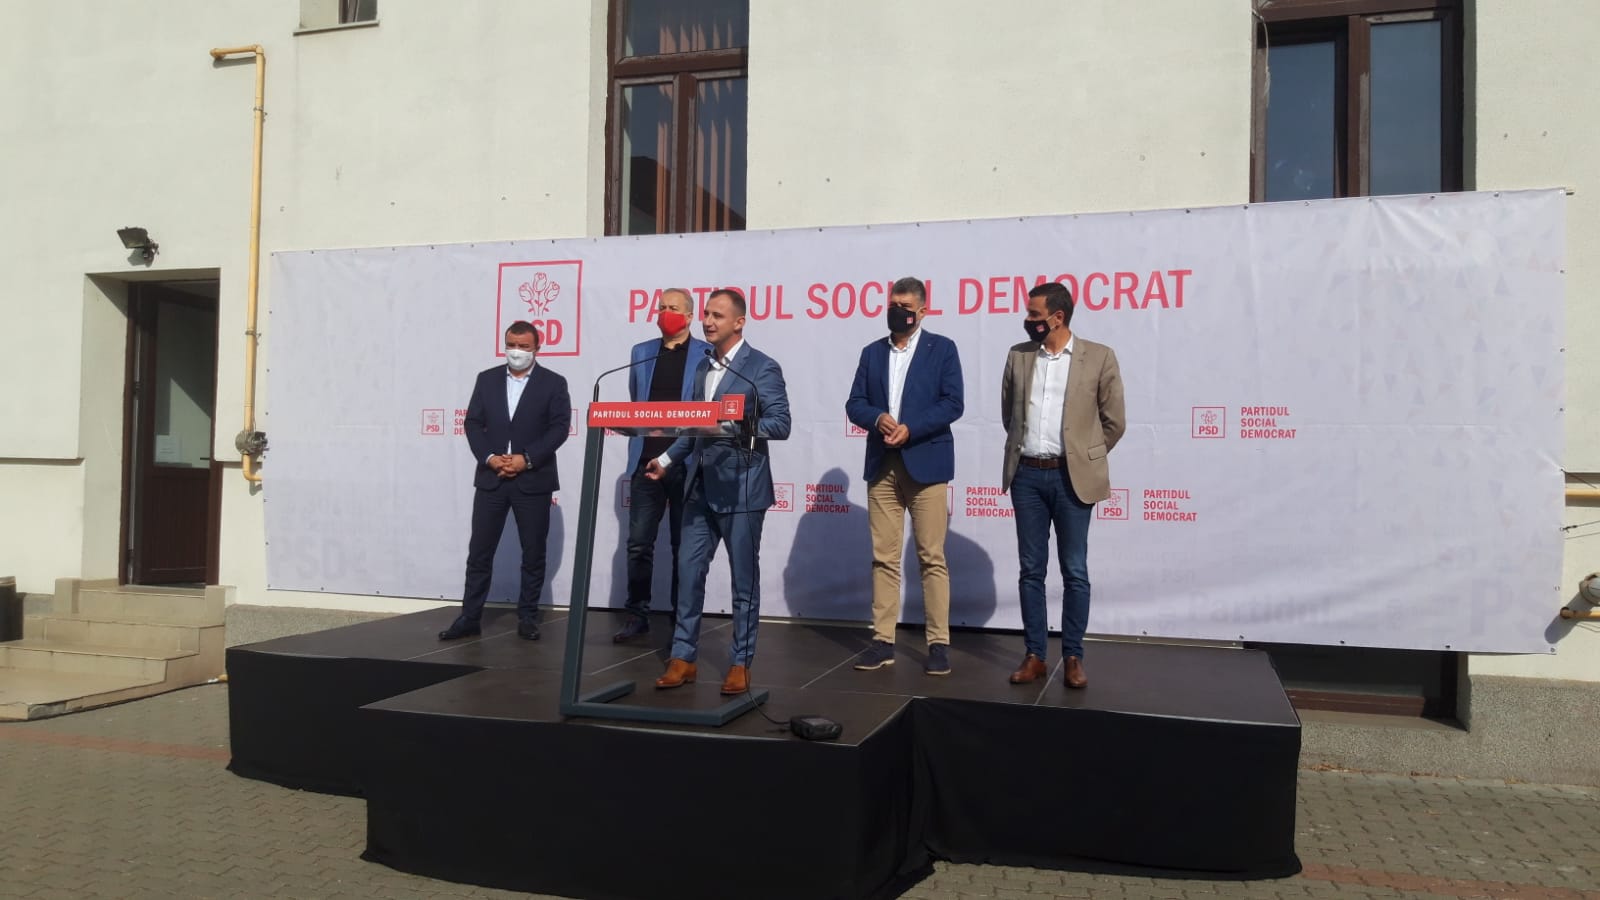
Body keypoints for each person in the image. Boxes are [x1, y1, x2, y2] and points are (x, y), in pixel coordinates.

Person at [644, 289, 791, 695]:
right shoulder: (701, 367)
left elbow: (780, 424)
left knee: (743, 582)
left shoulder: (761, 368)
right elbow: (694, 427)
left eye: (717, 316)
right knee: (689, 574)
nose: (708, 322)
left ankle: (740, 662)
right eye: (706, 314)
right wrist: (666, 460)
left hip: (742, 489)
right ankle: (683, 657)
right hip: (698, 487)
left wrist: (730, 426)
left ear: (739, 322)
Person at [1000, 282, 1124, 688]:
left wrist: (1084, 456)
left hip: (1073, 478)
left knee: (1075, 570)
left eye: (1034, 315)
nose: (1028, 320)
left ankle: (1073, 656)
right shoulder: (1019, 355)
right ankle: (1035, 654)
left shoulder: (1099, 357)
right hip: (1027, 477)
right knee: (1031, 570)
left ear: (1057, 317)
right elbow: (1010, 415)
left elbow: (1114, 421)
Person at [844, 276, 964, 675]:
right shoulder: (871, 352)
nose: (897, 311)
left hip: (926, 462)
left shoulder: (942, 349)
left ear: (922, 311)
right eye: (892, 304)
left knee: (931, 556)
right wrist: (877, 417)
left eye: (905, 307)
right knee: (884, 557)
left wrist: (911, 428)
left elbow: (953, 403)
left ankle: (938, 643)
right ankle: (882, 640)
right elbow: (854, 402)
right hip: (882, 464)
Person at [439, 321, 572, 642]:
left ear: (537, 348)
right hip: (492, 478)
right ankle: (470, 617)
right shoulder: (486, 379)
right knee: (480, 552)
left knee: (533, 553)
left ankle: (528, 617)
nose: (517, 351)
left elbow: (559, 428)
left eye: (524, 346)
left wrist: (526, 459)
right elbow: (473, 423)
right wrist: (489, 457)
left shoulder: (554, 383)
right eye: (512, 344)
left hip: (533, 479)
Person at [614, 288, 712, 643]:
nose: (665, 313)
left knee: (683, 547)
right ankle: (637, 615)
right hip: (646, 461)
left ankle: (679, 621)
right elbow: (636, 401)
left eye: (673, 308)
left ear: (689, 316)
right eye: (661, 307)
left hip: (686, 462)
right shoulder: (641, 353)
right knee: (639, 544)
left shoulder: (706, 354)